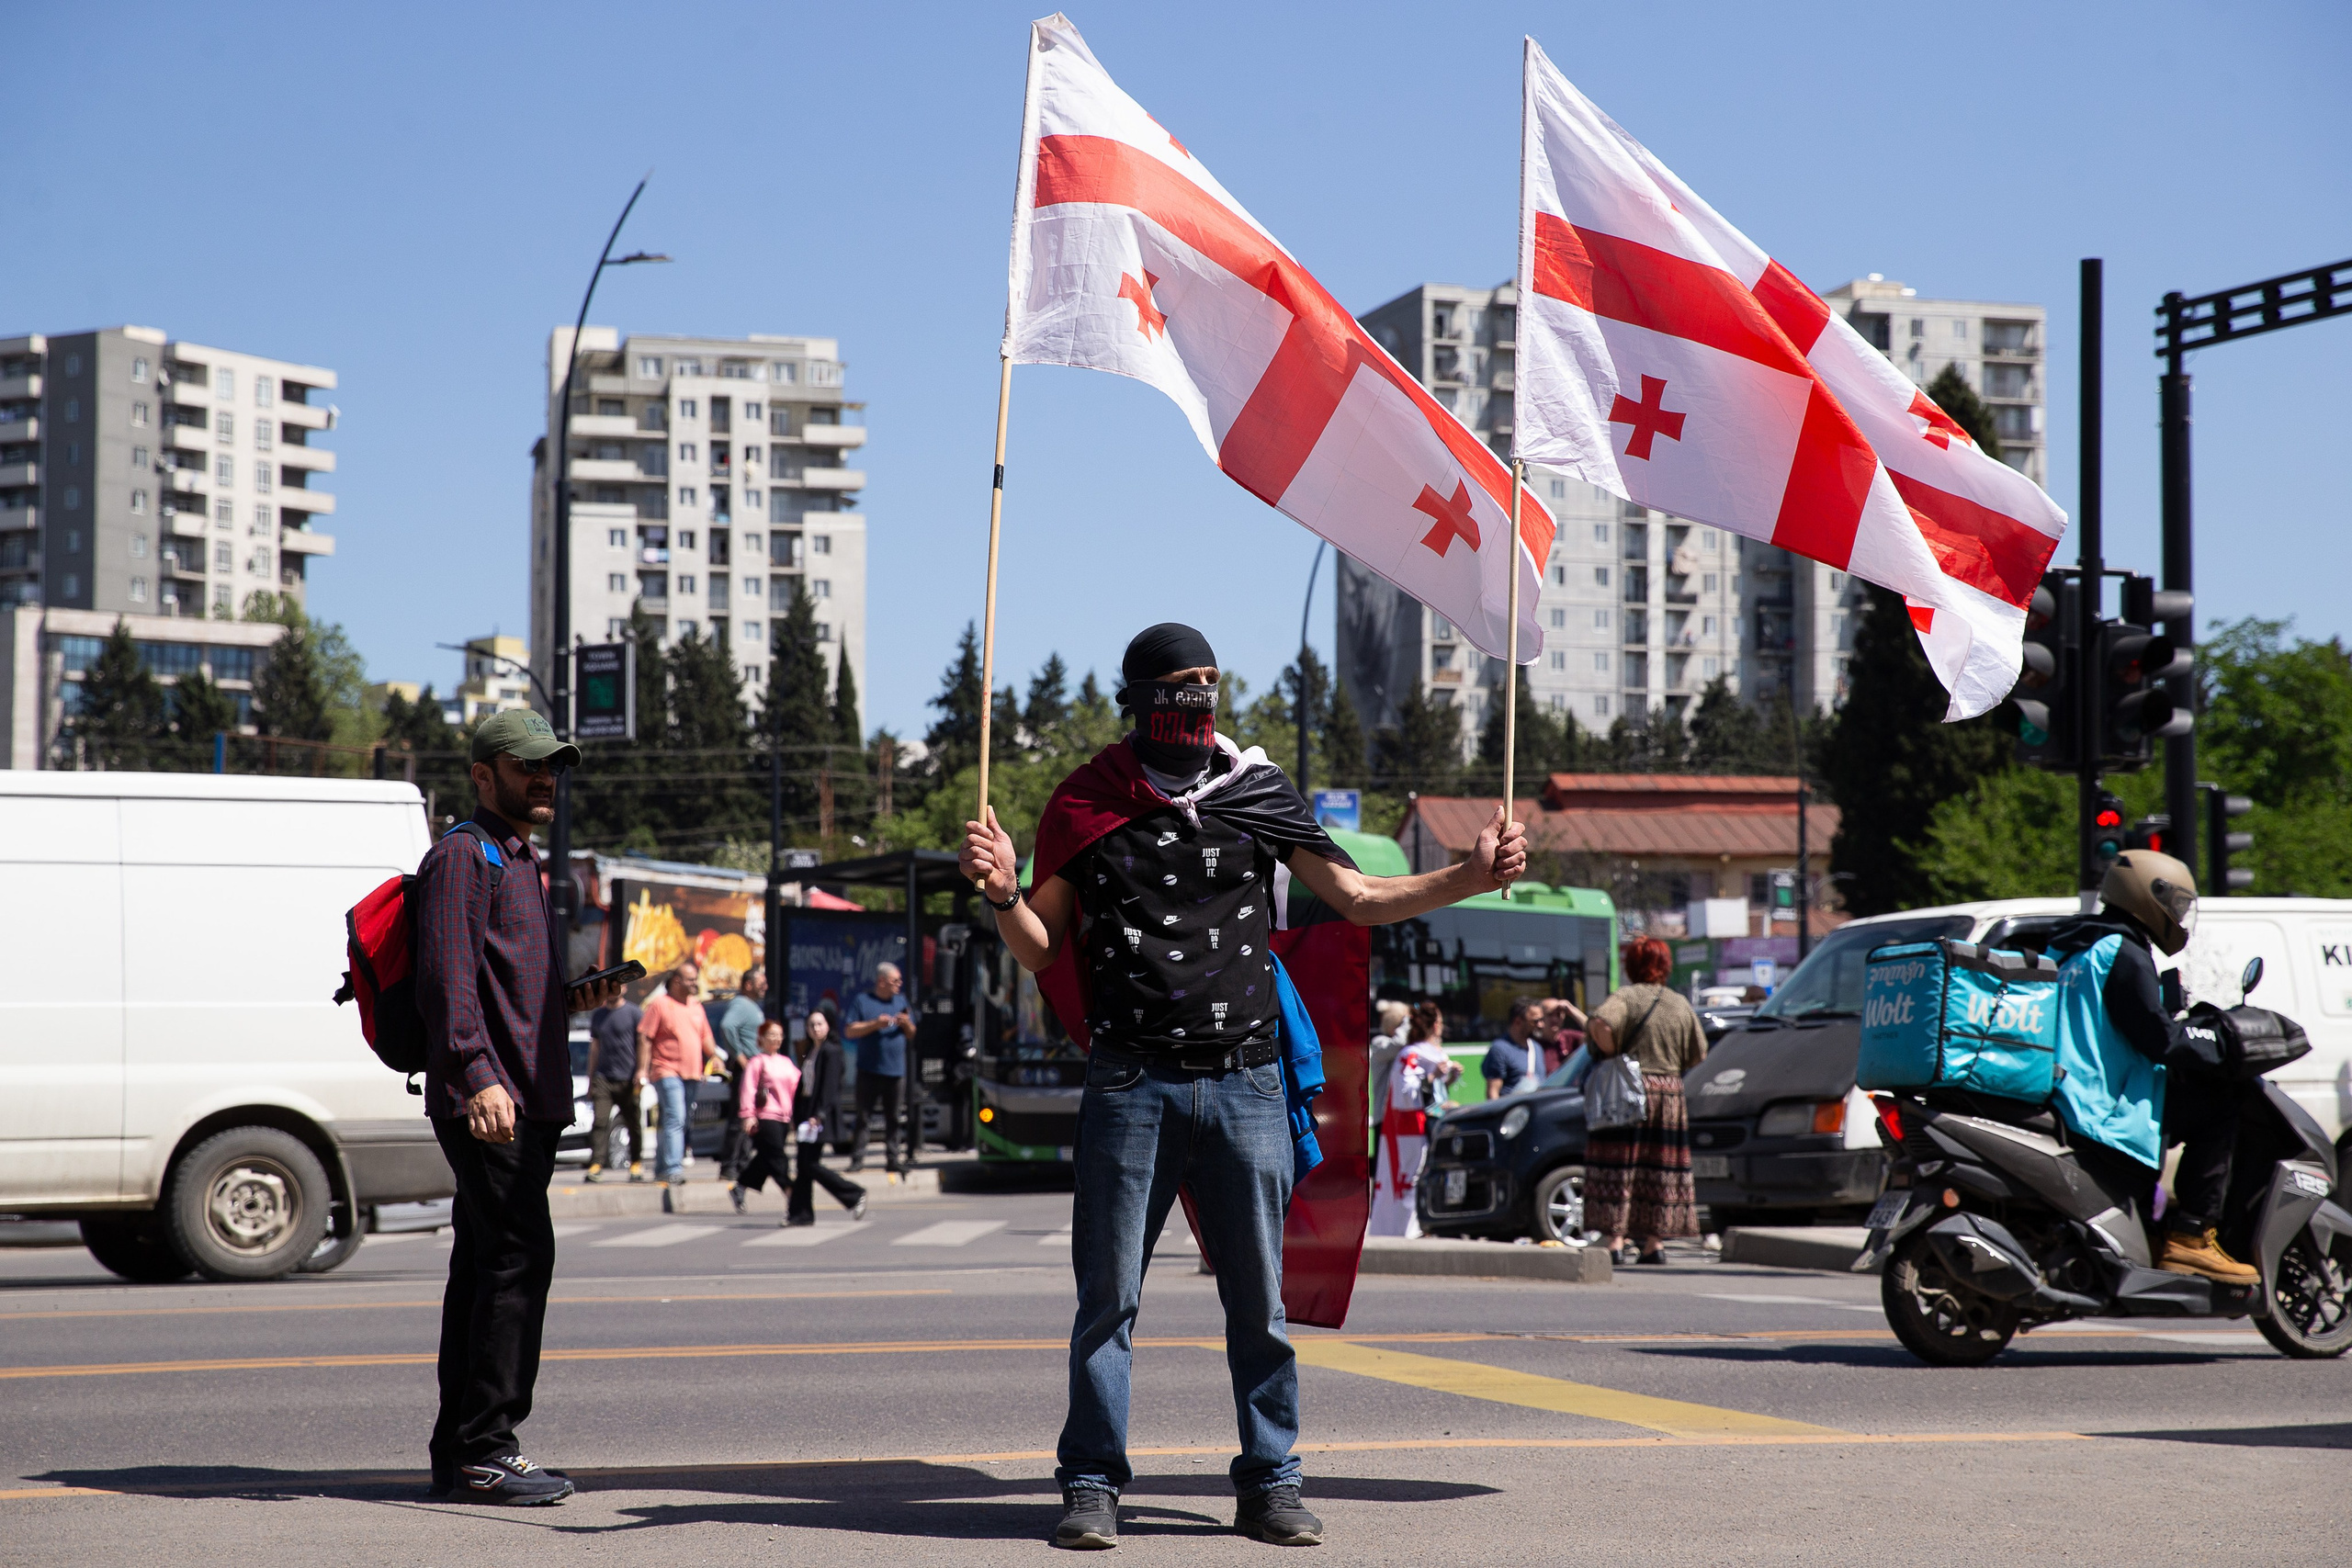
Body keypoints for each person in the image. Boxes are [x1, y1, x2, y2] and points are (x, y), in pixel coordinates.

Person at [961, 621, 1525, 1551]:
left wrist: (1466, 875)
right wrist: (1000, 894)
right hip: (1130, 1085)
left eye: (1207, 687)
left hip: (1246, 1085)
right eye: (1177, 688)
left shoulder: (1255, 791)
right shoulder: (1088, 802)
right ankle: (1092, 1482)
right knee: (1108, 1301)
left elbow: (1356, 897)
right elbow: (1042, 948)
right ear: (1137, 698)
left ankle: (1271, 1481)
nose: (1194, 704)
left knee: (1258, 1306)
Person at [414, 707, 624, 1506]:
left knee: (484, 1266)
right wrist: (477, 1074)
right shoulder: (464, 857)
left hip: (522, 1097)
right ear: (482, 774)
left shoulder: (519, 859)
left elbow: (502, 985)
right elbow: (446, 979)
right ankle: (486, 1445)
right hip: (491, 1099)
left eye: (553, 766)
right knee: (516, 1261)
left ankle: (459, 1447)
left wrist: (573, 999)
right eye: (528, 764)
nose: (545, 778)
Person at [2044, 850, 2257, 1285]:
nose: (2179, 917)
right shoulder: (2122, 951)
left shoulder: (2074, 943)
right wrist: (2216, 1045)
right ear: (2149, 896)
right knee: (2221, 1102)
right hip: (2102, 1102)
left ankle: (2157, 1231)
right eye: (2176, 905)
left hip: (2067, 1089)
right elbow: (2159, 1040)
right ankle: (2192, 1237)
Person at [1584, 935, 1710, 1266]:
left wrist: (1611, 1052)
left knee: (1622, 1164)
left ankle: (1615, 1240)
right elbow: (1699, 1053)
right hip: (1669, 1095)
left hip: (1630, 1091)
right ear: (1665, 966)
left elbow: (1600, 1022)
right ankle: (1654, 1243)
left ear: (1631, 966)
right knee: (1660, 1169)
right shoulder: (1679, 1003)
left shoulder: (1628, 996)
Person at [1369, 1003, 1460, 1237]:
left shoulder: (1431, 1052)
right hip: (1411, 1129)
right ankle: (1412, 1226)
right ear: (1436, 1025)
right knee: (1409, 1177)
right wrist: (1433, 1077)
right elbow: (1408, 1094)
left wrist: (1448, 1079)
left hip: (1431, 1124)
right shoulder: (1407, 1053)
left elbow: (1435, 1094)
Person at [637, 961, 722, 1188]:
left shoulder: (696, 1005)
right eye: (691, 979)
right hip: (666, 1070)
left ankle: (661, 1168)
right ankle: (673, 1168)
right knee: (676, 1117)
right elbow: (645, 1037)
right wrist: (641, 1069)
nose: (695, 983)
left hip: (693, 1074)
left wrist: (715, 1057)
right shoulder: (660, 1005)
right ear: (677, 981)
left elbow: (705, 1037)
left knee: (676, 1122)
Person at [788, 1005, 867, 1225]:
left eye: (819, 1024)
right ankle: (801, 1214)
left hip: (819, 1116)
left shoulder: (831, 1051)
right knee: (803, 1166)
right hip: (807, 1114)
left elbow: (830, 1088)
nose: (815, 1028)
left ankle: (854, 1194)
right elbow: (804, 1084)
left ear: (828, 1026)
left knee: (810, 1164)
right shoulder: (812, 1050)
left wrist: (818, 1115)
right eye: (811, 1025)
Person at [842, 961, 917, 1174]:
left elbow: (912, 1034)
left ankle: (893, 1159)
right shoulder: (863, 1001)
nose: (899, 984)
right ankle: (857, 1160)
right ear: (881, 981)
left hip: (895, 1072)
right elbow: (850, 1031)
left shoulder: (901, 1001)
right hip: (869, 1071)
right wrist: (876, 1024)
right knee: (863, 1117)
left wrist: (906, 1024)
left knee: (893, 1118)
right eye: (895, 980)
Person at [729, 1020, 800, 1214]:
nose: (776, 1038)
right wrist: (748, 1115)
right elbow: (747, 1089)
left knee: (767, 1158)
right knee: (778, 1158)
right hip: (765, 1117)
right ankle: (791, 1194)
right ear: (761, 1038)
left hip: (784, 1118)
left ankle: (740, 1186)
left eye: (779, 1034)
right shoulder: (757, 1062)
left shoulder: (786, 1062)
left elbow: (797, 1087)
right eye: (771, 1034)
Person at [714, 968, 770, 1182]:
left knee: (750, 1118)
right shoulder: (741, 1004)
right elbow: (727, 1026)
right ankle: (729, 1166)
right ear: (748, 985)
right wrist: (739, 1056)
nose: (765, 986)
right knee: (740, 1117)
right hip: (745, 1071)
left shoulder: (752, 1006)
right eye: (761, 982)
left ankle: (742, 1164)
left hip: (754, 1069)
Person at [582, 993, 644, 1183]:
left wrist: (641, 1070)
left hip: (628, 1078)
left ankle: (635, 1162)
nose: (612, 990)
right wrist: (591, 1079)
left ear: (624, 988)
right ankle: (597, 1164)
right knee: (600, 1121)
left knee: (632, 1122)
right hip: (603, 1078)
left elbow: (642, 1043)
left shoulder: (634, 1012)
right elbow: (595, 1048)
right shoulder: (598, 1015)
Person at [1481, 997, 1545, 1100]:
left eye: (1542, 1020)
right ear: (1518, 1021)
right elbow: (1493, 1093)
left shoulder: (1537, 1048)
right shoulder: (1499, 1049)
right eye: (1536, 1021)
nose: (1541, 1025)